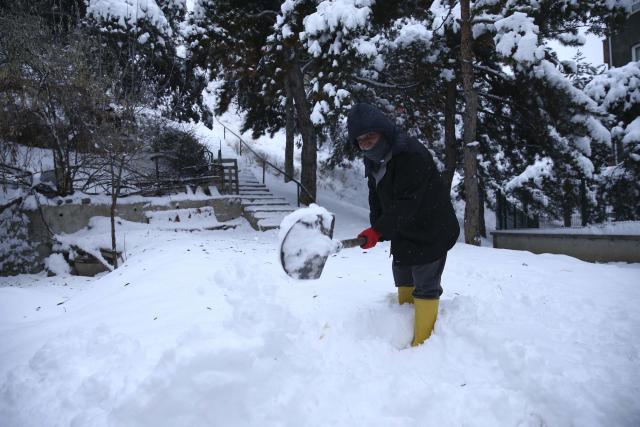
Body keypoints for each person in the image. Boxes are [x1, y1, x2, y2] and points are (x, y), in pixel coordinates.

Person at [347, 103, 460, 346]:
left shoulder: (411, 155)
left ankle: (423, 344)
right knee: (402, 273)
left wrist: (378, 231)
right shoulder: (373, 159)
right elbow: (376, 195)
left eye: (371, 136)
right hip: (403, 229)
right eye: (361, 140)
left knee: (425, 280)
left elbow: (408, 203)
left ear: (383, 131)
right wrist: (376, 225)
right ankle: (403, 323)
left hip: (431, 227)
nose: (367, 143)